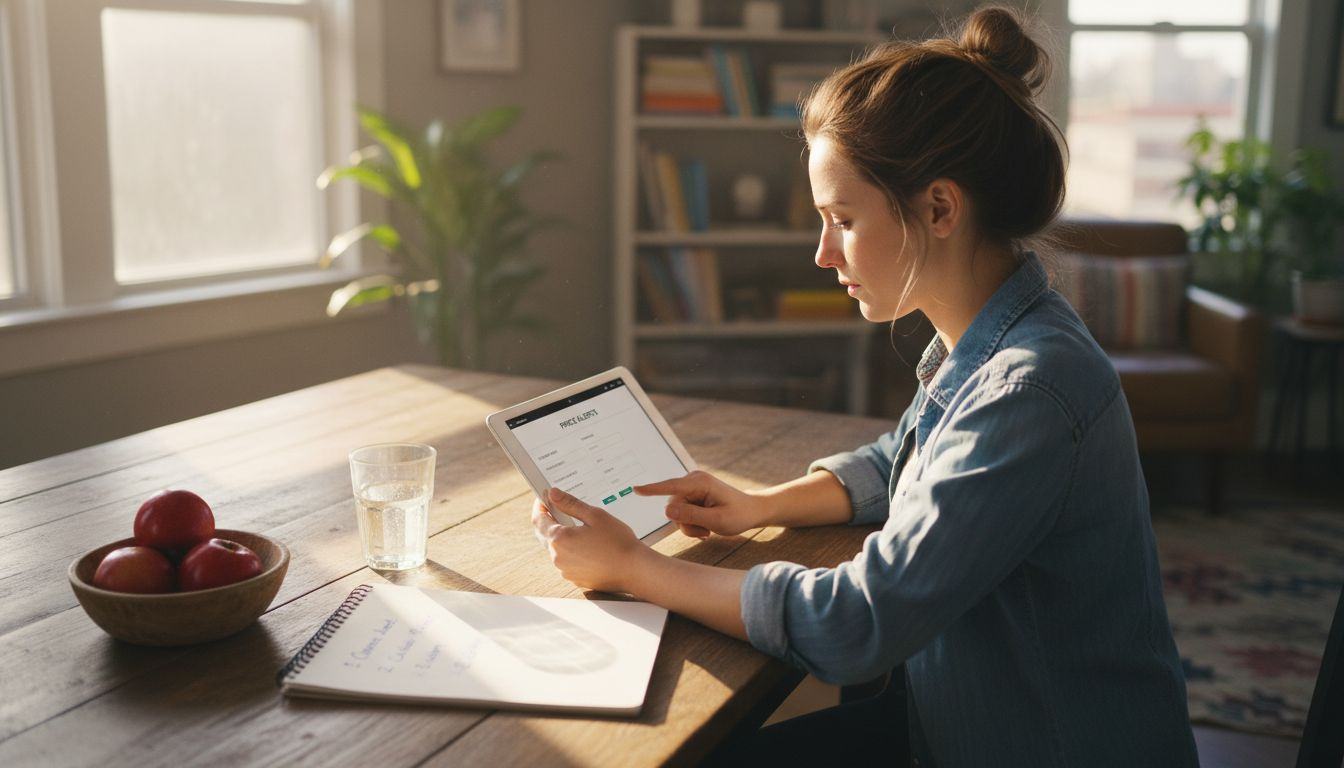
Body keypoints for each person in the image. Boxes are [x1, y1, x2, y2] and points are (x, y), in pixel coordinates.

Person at [532, 6, 1199, 766]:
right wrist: (761, 504)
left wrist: (635, 568)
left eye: (841, 219)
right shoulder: (995, 341)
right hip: (957, 724)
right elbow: (900, 463)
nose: (822, 253)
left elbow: (858, 623)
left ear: (940, 208)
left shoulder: (1029, 390)